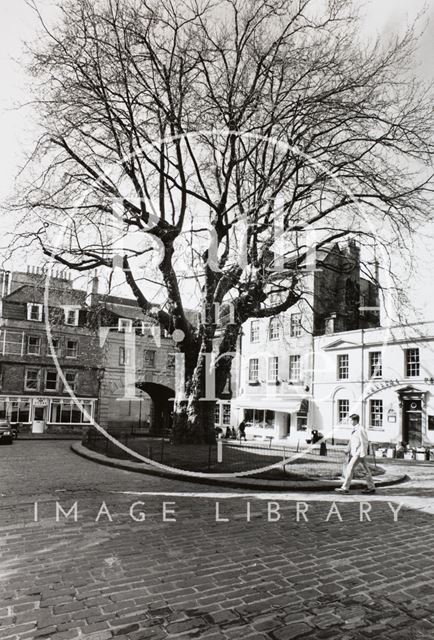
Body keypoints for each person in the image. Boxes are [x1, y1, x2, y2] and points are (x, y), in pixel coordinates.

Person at [335, 413, 376, 494]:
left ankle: (345, 488)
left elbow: (364, 442)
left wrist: (362, 453)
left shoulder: (360, 429)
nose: (349, 422)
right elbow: (352, 441)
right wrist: (348, 449)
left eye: (350, 420)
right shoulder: (354, 429)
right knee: (366, 470)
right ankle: (371, 487)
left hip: (359, 453)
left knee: (349, 468)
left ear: (355, 420)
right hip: (356, 453)